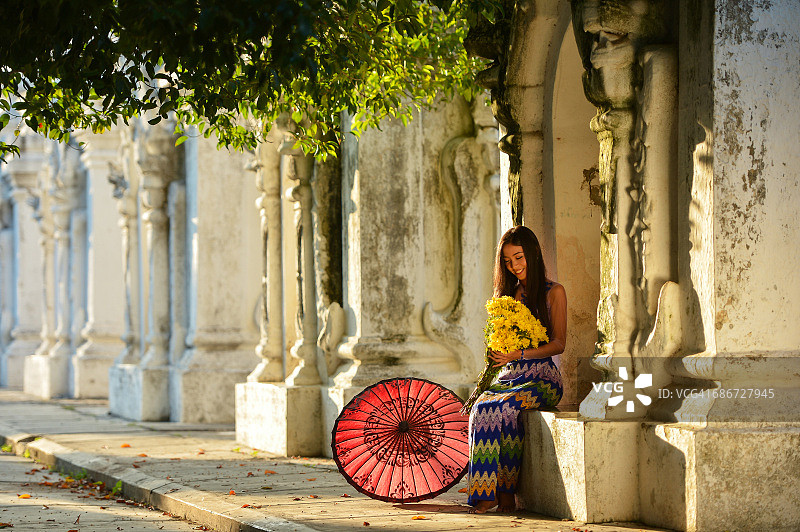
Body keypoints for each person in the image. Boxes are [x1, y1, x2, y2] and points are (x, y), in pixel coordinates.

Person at [467, 225, 566, 514]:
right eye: (508, 262)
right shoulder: (508, 294)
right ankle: (491, 492)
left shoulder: (554, 292)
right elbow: (496, 336)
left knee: (506, 408)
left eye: (519, 258)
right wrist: (497, 354)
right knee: (483, 407)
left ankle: (505, 492)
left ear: (533, 253)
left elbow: (559, 344)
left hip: (543, 379)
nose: (514, 266)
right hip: (510, 376)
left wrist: (520, 353)